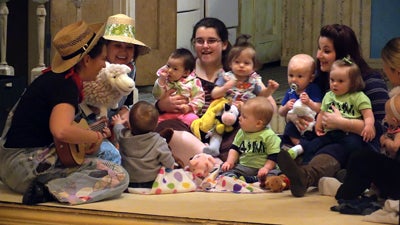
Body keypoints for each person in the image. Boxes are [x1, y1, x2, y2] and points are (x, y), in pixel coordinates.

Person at [0, 21, 129, 205]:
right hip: (25, 167)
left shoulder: (53, 78)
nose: (104, 65)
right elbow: (60, 130)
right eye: (102, 58)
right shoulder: (66, 85)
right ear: (86, 60)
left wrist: (86, 136)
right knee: (117, 174)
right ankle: (47, 192)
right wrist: (94, 136)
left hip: (10, 164)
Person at [278, 24, 389, 198]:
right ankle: (303, 172)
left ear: (345, 55)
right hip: (324, 136)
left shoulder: (370, 82)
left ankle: (305, 177)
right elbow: (305, 105)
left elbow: (382, 127)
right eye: (319, 48)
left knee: (333, 150)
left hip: (355, 144)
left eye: (326, 51)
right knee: (305, 143)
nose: (318, 55)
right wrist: (294, 116)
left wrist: (344, 123)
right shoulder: (324, 79)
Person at [155, 17, 277, 163]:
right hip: (190, 127)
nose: (205, 46)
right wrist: (161, 105)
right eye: (199, 41)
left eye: (211, 41)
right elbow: (158, 97)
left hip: (224, 129)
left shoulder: (238, 69)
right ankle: (213, 162)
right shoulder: (182, 67)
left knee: (244, 129)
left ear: (224, 44)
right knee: (166, 129)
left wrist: (248, 108)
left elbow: (270, 105)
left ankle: (209, 161)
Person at [330, 37, 400, 215]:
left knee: (361, 158)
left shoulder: (396, 102)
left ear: (396, 71)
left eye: (385, 66)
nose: (384, 71)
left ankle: (346, 194)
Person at [80, 13, 151, 164]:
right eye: (117, 46)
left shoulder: (130, 69)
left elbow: (129, 97)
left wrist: (125, 110)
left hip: (115, 122)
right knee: (113, 156)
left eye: (129, 47)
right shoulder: (96, 67)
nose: (123, 52)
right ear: (105, 47)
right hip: (89, 125)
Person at [288, 57, 375, 164]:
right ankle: (305, 168)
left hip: (349, 133)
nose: (334, 84)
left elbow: (368, 115)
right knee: (313, 145)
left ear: (352, 83)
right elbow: (322, 112)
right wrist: (318, 126)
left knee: (355, 146)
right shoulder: (329, 96)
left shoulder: (358, 97)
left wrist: (369, 126)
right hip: (330, 133)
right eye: (332, 80)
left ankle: (351, 167)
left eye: (340, 81)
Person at [112, 101, 175, 188]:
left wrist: (117, 123)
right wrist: (171, 167)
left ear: (129, 123)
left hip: (130, 181)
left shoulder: (123, 136)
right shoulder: (159, 141)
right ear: (156, 124)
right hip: (152, 181)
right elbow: (168, 162)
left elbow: (117, 128)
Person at [221, 97, 281, 183]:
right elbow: (234, 149)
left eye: (244, 117)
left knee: (276, 173)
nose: (239, 118)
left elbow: (274, 155)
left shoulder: (269, 136)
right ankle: (245, 178)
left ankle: (257, 179)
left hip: (264, 168)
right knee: (224, 169)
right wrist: (229, 162)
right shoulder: (241, 132)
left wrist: (266, 168)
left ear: (258, 123)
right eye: (240, 115)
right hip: (245, 167)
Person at [211, 34, 279, 109]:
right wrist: (225, 88)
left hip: (248, 112)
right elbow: (214, 94)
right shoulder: (226, 77)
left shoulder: (253, 80)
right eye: (237, 62)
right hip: (228, 111)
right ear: (230, 63)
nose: (241, 65)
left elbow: (261, 96)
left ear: (254, 66)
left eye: (246, 63)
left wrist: (269, 89)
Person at [278, 54, 322, 156]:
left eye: (299, 76)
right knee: (289, 128)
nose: (294, 79)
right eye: (291, 75)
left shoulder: (312, 89)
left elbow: (319, 108)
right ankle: (298, 145)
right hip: (295, 125)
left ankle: (301, 147)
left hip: (310, 123)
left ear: (310, 78)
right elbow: (280, 112)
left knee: (313, 133)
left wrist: (309, 102)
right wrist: (286, 107)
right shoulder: (290, 91)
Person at [153, 48, 205, 126]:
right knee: (152, 120)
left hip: (185, 114)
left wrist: (189, 107)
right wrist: (161, 81)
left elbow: (200, 99)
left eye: (175, 69)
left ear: (186, 72)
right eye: (168, 66)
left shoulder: (194, 82)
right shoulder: (165, 80)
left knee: (194, 120)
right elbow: (156, 95)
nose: (169, 70)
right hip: (167, 113)